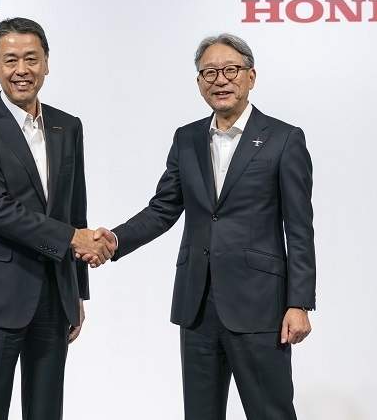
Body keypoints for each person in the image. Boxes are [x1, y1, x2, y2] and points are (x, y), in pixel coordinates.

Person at [84, 33, 316, 419]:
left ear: (251, 76)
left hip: (261, 306)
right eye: (209, 72)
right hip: (197, 306)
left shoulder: (283, 139)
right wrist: (115, 240)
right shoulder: (187, 138)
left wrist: (299, 302)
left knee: (270, 413)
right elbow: (163, 209)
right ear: (198, 82)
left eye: (230, 70)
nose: (220, 80)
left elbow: (300, 228)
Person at [0, 17, 114, 420]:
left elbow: (75, 210)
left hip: (53, 297)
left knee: (46, 412)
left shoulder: (67, 126)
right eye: (10, 60)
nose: (21, 70)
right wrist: (72, 238)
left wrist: (76, 293)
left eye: (31, 59)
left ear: (47, 63)